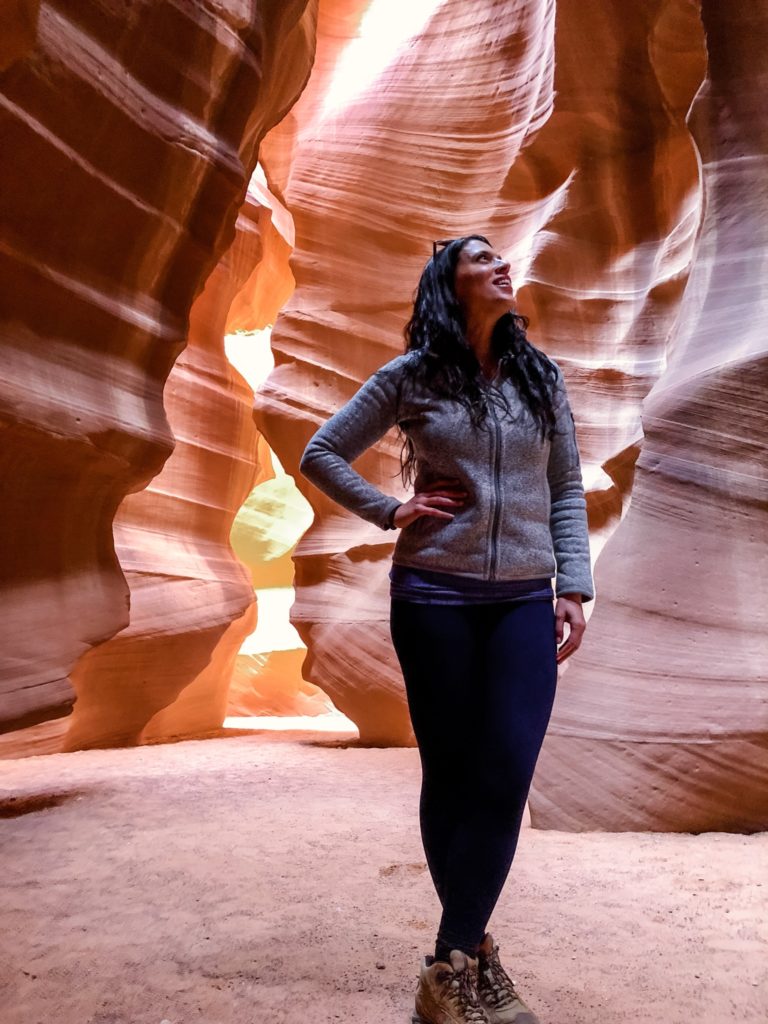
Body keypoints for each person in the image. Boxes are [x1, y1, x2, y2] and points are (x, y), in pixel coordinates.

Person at [299, 235, 594, 1024]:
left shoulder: (540, 379)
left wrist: (575, 586)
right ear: (448, 282)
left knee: (506, 771)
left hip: (523, 599)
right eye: (480, 256)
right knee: (454, 775)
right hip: (433, 596)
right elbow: (321, 450)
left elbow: (566, 488)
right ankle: (470, 960)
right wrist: (391, 509)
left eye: (503, 256)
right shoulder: (414, 375)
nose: (502, 264)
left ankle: (451, 957)